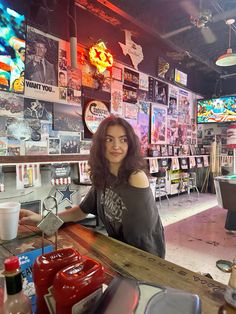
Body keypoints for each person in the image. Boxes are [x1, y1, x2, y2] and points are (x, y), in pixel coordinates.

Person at [19, 116, 165, 258]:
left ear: (130, 145)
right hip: (117, 252)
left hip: (144, 258)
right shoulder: (103, 176)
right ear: (101, 145)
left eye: (123, 140)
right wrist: (43, 220)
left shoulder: (135, 177)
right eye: (109, 139)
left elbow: (142, 237)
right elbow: (80, 212)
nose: (116, 146)